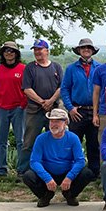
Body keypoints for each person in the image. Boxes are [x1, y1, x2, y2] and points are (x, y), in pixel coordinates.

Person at [22, 108, 94, 208]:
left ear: (65, 123)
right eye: (51, 121)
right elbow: (34, 161)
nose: (53, 124)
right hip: (48, 172)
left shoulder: (73, 138)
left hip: (67, 172)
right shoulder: (41, 138)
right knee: (28, 176)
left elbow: (80, 160)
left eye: (57, 121)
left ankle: (70, 195)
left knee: (87, 173)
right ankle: (45, 195)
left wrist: (70, 177)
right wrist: (47, 178)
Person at [18, 39, 64, 174]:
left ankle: (54, 170)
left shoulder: (56, 67)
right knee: (29, 142)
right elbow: (26, 89)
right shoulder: (30, 68)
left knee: (55, 140)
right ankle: (24, 171)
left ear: (47, 51)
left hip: (53, 112)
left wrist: (51, 101)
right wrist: (42, 102)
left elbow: (61, 87)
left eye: (40, 49)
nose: (37, 52)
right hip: (34, 111)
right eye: (35, 49)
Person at [61, 38, 102, 177]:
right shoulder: (71, 69)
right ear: (79, 50)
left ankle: (94, 172)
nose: (86, 50)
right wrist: (70, 108)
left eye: (89, 48)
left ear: (92, 51)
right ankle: (73, 173)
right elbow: (65, 89)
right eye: (83, 48)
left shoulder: (99, 68)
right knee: (74, 143)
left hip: (94, 111)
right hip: (77, 111)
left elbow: (103, 90)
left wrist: (99, 110)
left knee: (93, 144)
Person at [0, 41, 26, 177]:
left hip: (19, 109)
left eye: (11, 51)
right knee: (1, 141)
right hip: (2, 110)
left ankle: (21, 169)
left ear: (16, 53)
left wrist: (22, 105)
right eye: (6, 51)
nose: (8, 53)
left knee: (21, 141)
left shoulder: (23, 69)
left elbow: (27, 88)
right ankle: (1, 169)